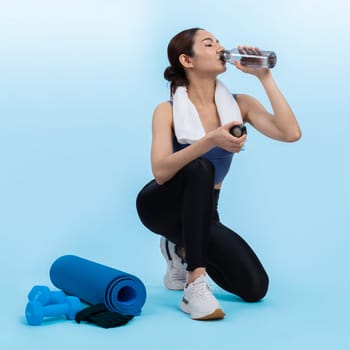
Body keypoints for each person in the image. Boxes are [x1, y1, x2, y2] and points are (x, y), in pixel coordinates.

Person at [136, 28, 301, 321]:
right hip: (160, 206)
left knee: (255, 288)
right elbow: (160, 171)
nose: (219, 48)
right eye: (209, 44)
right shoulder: (166, 111)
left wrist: (265, 77)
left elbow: (290, 133)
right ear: (187, 60)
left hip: (204, 212)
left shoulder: (241, 105)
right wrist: (210, 141)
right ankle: (194, 284)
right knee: (201, 167)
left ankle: (180, 247)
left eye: (219, 43)